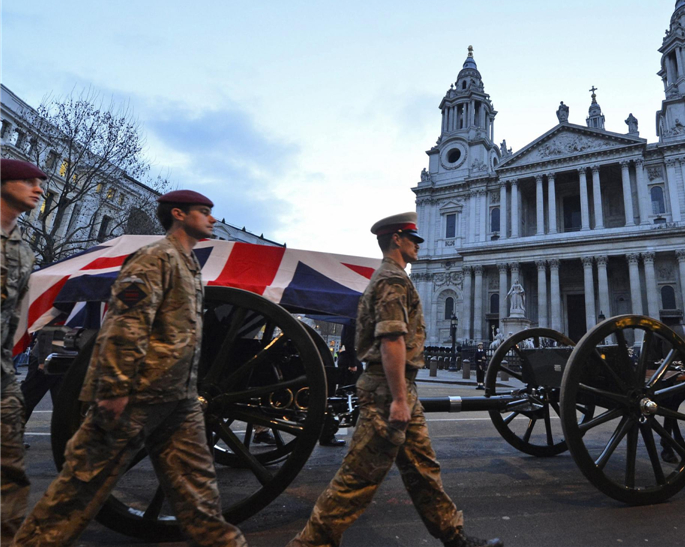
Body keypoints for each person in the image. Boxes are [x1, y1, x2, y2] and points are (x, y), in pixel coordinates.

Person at [14, 190, 247, 547]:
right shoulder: (154, 259)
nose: (212, 219)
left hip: (178, 398)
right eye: (204, 211)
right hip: (138, 396)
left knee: (200, 495)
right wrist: (115, 388)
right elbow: (126, 325)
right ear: (179, 214)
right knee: (78, 489)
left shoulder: (187, 263)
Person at [286, 212, 502, 547]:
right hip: (387, 393)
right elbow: (391, 340)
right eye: (412, 239)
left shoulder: (394, 277)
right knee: (357, 479)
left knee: (423, 470)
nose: (418, 245)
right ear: (397, 240)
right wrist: (400, 399)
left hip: (397, 390)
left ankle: (454, 536)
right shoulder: (392, 280)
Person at [1, 159, 46, 542]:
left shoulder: (24, 252)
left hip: (2, 379)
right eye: (28, 181)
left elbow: (14, 317)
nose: (39, 189)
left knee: (10, 474)